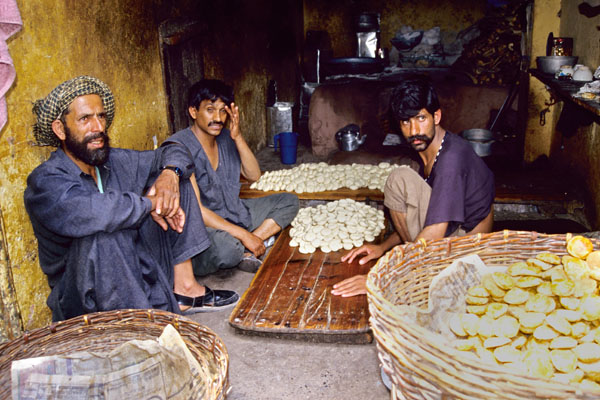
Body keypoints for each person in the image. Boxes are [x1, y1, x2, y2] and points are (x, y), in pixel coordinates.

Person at [24, 76, 239, 321]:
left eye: (101, 117)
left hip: (136, 267)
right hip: (85, 299)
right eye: (85, 119)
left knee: (175, 181)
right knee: (107, 233)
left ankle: (185, 290)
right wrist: (151, 204)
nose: (98, 127)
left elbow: (176, 151)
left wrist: (169, 175)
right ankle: (142, 326)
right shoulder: (44, 181)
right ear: (60, 129)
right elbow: (96, 212)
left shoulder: (112, 161)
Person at [332, 77, 495, 297]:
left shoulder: (450, 161)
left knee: (399, 179)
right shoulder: (431, 149)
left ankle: (415, 270)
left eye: (420, 118)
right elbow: (427, 215)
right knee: (399, 179)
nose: (413, 130)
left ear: (436, 116)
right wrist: (383, 248)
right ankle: (415, 259)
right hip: (453, 228)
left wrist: (382, 277)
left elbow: (435, 230)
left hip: (467, 249)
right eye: (405, 122)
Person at [164, 79, 299, 275]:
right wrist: (242, 234)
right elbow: (197, 211)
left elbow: (254, 175)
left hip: (234, 213)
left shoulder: (226, 137)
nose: (218, 118)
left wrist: (238, 137)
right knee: (227, 249)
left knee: (289, 201)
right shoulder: (180, 147)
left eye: (223, 111)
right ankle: (244, 245)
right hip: (202, 227)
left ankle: (250, 245)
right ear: (193, 112)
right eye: (210, 110)